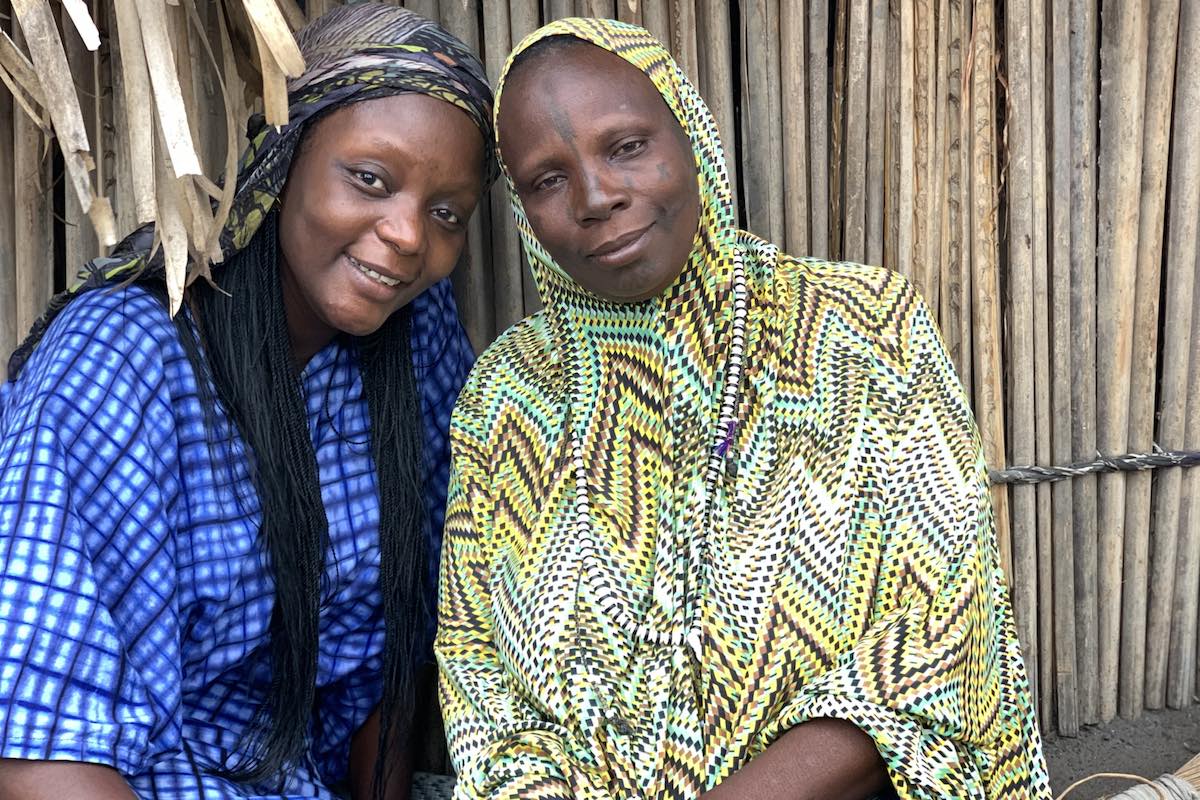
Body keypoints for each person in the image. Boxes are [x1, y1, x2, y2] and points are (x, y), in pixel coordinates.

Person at [436, 17, 1051, 800]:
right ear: (522, 211)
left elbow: (936, 627)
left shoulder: (861, 328)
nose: (597, 197)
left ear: (690, 137)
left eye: (626, 146)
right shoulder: (506, 396)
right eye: (548, 180)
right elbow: (476, 666)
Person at [0, 5, 494, 799]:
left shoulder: (415, 333)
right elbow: (38, 755)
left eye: (446, 214)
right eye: (369, 179)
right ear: (283, 156)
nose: (407, 234)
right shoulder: (122, 357)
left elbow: (400, 647)